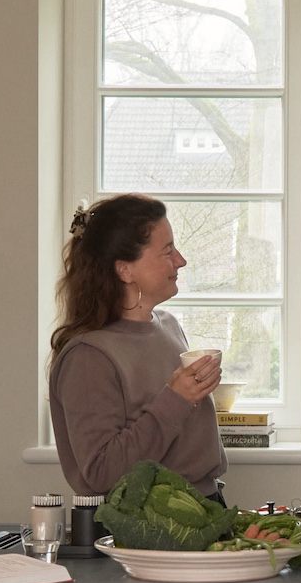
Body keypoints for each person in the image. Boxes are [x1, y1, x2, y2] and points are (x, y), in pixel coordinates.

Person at [48, 196, 224, 497]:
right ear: (124, 270)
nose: (181, 260)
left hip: (206, 506)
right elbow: (102, 473)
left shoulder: (169, 325)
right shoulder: (88, 356)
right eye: (167, 251)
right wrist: (177, 399)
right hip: (144, 523)